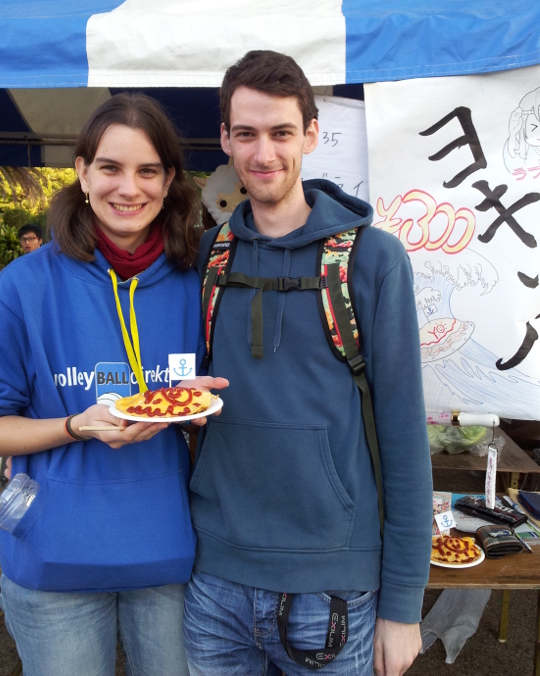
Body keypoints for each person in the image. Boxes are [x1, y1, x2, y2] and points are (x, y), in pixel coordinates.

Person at [184, 51, 433, 676]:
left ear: (312, 135)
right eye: (246, 134)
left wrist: (403, 606)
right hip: (215, 582)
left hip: (334, 588)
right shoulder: (208, 259)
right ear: (224, 139)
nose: (263, 153)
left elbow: (405, 438)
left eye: (281, 132)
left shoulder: (372, 261)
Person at [0, 93, 227, 676]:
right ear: (82, 172)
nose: (129, 188)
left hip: (174, 557)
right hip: (55, 564)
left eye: (148, 170)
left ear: (171, 179)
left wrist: (200, 408)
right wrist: (74, 426)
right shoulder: (21, 288)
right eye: (111, 168)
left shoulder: (201, 279)